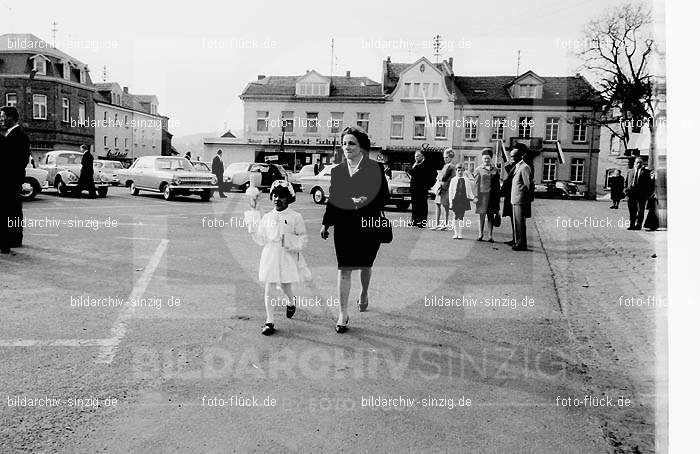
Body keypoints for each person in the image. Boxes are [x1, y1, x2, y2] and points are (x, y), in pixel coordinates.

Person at [320, 126, 389, 333]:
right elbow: (333, 198)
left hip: (369, 225)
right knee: (344, 269)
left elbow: (384, 197)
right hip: (344, 226)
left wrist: (363, 200)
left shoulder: (375, 168)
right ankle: (342, 313)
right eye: (344, 143)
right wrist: (326, 223)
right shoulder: (337, 170)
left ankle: (364, 292)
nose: (347, 147)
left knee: (365, 264)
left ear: (361, 147)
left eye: (351, 143)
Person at [246, 180, 308, 336]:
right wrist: (253, 212)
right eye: (274, 195)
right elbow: (260, 238)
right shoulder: (267, 217)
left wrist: (289, 241)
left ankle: (291, 302)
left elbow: (303, 238)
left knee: (286, 285)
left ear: (288, 198)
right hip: (270, 255)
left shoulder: (295, 217)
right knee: (269, 288)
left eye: (281, 196)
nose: (277, 199)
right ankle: (269, 321)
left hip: (287, 256)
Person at [1, 106, 30, 253]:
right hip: (11, 179)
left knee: (10, 210)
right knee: (13, 210)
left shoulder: (19, 135)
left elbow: (21, 160)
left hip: (10, 180)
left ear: (11, 117)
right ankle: (14, 238)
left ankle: (13, 239)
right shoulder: (10, 134)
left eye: (3, 116)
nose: (1, 119)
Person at [473, 149, 501, 242]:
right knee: (481, 215)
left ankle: (490, 236)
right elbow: (476, 184)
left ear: (491, 159)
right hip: (482, 196)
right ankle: (480, 234)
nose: (486, 160)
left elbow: (497, 184)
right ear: (482, 158)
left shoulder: (496, 169)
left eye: (488, 158)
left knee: (490, 216)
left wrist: (498, 197)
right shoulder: (478, 169)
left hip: (492, 196)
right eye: (485, 158)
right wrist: (476, 196)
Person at [510, 147, 532, 251]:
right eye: (511, 156)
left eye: (514, 156)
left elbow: (527, 185)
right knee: (517, 223)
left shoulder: (524, 167)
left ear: (520, 156)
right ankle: (518, 242)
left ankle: (521, 244)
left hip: (520, 200)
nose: (512, 158)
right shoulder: (517, 166)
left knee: (520, 223)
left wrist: (521, 196)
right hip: (515, 199)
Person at [429, 148, 456, 231]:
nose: (445, 159)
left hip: (446, 188)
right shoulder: (445, 166)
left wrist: (445, 181)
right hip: (440, 188)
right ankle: (437, 224)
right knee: (437, 204)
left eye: (447, 157)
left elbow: (453, 177)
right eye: (444, 157)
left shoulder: (452, 166)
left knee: (445, 206)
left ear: (451, 158)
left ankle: (445, 224)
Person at [624, 157, 653, 230]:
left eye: (640, 162)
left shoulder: (646, 172)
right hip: (631, 194)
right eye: (637, 162)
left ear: (642, 163)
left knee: (640, 210)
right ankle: (632, 224)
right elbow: (626, 182)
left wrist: (647, 195)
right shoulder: (630, 171)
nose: (639, 164)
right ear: (634, 163)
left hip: (641, 194)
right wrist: (626, 191)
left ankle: (639, 225)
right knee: (632, 210)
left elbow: (649, 184)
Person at [408, 150, 434, 228]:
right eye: (415, 156)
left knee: (422, 205)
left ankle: (422, 222)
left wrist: (428, 185)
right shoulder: (416, 164)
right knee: (415, 205)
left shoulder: (425, 164)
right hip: (414, 188)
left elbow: (417, 173)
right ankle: (414, 220)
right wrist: (413, 166)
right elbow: (411, 173)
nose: (416, 158)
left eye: (418, 156)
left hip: (422, 188)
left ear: (422, 156)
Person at [448, 163, 475, 239]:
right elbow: (451, 191)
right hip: (455, 200)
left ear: (464, 171)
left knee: (461, 216)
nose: (460, 172)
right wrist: (451, 202)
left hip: (463, 200)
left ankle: (460, 233)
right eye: (458, 170)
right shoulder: (453, 180)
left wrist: (473, 198)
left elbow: (469, 191)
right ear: (456, 170)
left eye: (461, 170)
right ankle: (455, 233)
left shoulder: (466, 180)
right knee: (455, 216)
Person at [501, 161, 516, 246]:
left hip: (512, 198)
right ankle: (515, 238)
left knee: (515, 220)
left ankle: (516, 239)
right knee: (513, 219)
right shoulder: (511, 175)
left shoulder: (512, 175)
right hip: (510, 198)